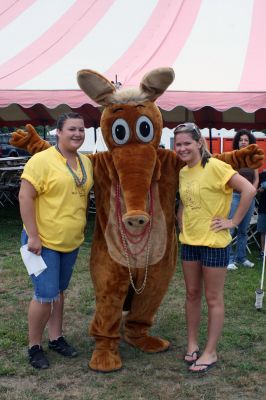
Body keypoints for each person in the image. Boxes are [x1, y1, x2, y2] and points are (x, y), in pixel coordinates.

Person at [174, 123, 256, 373]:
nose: (182, 148)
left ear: (199, 143)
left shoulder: (217, 167)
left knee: (212, 298)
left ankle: (210, 351)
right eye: (178, 144)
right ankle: (192, 344)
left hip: (214, 244)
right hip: (189, 243)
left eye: (187, 143)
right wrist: (181, 225)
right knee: (191, 294)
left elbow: (249, 190)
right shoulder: (183, 172)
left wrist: (233, 221)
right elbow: (184, 204)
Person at [19, 112, 93, 369]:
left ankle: (56, 337)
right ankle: (34, 346)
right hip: (43, 241)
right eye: (72, 129)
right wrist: (34, 235)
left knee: (59, 292)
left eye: (81, 129)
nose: (77, 134)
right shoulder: (41, 160)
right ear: (58, 132)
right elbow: (25, 197)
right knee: (45, 294)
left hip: (71, 241)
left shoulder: (86, 162)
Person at [227, 130, 259, 270]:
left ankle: (241, 258)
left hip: (249, 198)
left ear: (250, 142)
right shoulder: (234, 158)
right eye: (241, 140)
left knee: (243, 230)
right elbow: (228, 178)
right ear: (237, 142)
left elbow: (256, 179)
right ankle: (229, 259)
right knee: (230, 228)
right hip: (235, 197)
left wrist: (251, 192)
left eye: (246, 140)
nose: (244, 142)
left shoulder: (253, 159)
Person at [257, 170, 266, 259]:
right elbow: (255, 191)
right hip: (263, 206)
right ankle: (262, 252)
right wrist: (260, 190)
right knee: (263, 231)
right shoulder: (262, 175)